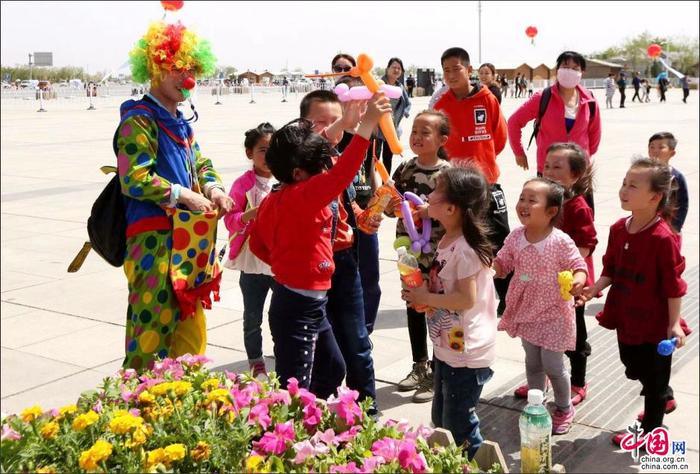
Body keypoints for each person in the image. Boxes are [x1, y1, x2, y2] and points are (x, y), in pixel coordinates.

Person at [249, 94, 391, 399]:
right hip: (299, 308)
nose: (327, 169)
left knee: (332, 368)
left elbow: (258, 244)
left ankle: (317, 423)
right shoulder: (304, 195)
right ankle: (289, 437)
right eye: (320, 167)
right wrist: (365, 126)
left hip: (303, 300)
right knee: (294, 390)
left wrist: (286, 262)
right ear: (301, 174)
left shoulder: (282, 192)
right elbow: (342, 172)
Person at [118, 20, 233, 371]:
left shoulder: (181, 121)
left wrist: (212, 188)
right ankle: (137, 406)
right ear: (154, 68)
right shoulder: (138, 120)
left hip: (188, 240)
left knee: (190, 332)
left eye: (191, 69)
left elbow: (201, 162)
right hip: (154, 241)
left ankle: (185, 401)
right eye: (177, 69)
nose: (187, 78)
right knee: (151, 333)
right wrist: (183, 195)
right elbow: (133, 178)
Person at [579, 158, 687, 447]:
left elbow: (673, 286)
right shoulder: (618, 229)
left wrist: (674, 324)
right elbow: (610, 269)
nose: (624, 190)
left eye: (633, 186)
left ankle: (651, 431)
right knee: (632, 365)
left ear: (655, 197)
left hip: (655, 323)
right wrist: (594, 289)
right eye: (624, 183)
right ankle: (664, 393)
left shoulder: (664, 238)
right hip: (626, 315)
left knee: (652, 379)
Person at [401, 166, 496, 459]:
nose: (428, 197)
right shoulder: (447, 239)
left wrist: (426, 296)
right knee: (442, 419)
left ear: (452, 208)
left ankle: (478, 464)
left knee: (459, 425)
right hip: (448, 346)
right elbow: (448, 291)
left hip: (465, 353)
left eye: (435, 193)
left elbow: (465, 299)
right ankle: (452, 463)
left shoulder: (465, 250)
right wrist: (424, 297)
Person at [299, 87, 381, 412]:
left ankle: (367, 411)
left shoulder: (337, 159)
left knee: (357, 341)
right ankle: (322, 412)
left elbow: (346, 202)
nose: (330, 130)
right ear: (301, 125)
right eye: (320, 123)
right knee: (322, 352)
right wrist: (348, 125)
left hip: (345, 262)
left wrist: (363, 218)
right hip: (311, 267)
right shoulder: (297, 164)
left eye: (335, 122)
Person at [494, 178, 588, 435]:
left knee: (553, 365)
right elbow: (503, 262)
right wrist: (491, 268)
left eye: (532, 200)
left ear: (551, 211)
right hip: (527, 309)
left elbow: (579, 266)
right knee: (533, 362)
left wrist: (578, 281)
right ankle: (537, 402)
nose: (523, 204)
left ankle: (564, 407)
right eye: (522, 198)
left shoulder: (561, 241)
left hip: (555, 312)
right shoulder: (515, 237)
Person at [508, 143, 597, 404]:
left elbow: (586, 245)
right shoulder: (540, 200)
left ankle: (577, 382)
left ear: (576, 174)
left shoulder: (578, 206)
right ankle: (540, 380)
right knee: (536, 336)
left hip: (567, 285)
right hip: (538, 284)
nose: (549, 171)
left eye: (557, 167)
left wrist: (569, 276)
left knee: (575, 336)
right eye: (546, 165)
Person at [430, 47, 510, 316]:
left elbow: (499, 138)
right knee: (462, 241)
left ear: (469, 69)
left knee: (497, 239)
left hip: (486, 183)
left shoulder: (487, 99)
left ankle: (506, 299)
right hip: (457, 187)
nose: (451, 75)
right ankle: (463, 293)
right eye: (446, 70)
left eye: (456, 69)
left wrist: (483, 161)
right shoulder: (441, 105)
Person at [384, 110, 452, 403]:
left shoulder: (448, 174)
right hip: (408, 253)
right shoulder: (405, 169)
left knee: (437, 311)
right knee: (413, 305)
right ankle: (419, 366)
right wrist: (386, 207)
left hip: (438, 255)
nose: (417, 137)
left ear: (441, 139)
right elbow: (390, 204)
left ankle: (440, 372)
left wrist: (429, 211)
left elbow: (455, 212)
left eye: (425, 132)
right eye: (414, 131)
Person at [508, 51, 601, 212]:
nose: (569, 71)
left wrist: (584, 157)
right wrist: (518, 152)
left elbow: (594, 133)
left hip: (578, 172)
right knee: (549, 216)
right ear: (557, 69)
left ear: (582, 72)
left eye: (575, 68)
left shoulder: (589, 100)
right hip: (550, 170)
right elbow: (514, 122)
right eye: (565, 66)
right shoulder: (543, 97)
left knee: (582, 216)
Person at [223, 123, 276, 380]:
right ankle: (256, 362)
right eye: (262, 150)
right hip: (252, 261)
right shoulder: (243, 184)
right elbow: (230, 218)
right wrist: (248, 215)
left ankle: (285, 355)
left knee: (281, 316)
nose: (268, 156)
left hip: (279, 261)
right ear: (249, 153)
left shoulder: (286, 178)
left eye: (273, 149)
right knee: (252, 316)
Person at [648, 132, 689, 234]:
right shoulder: (642, 174)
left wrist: (675, 227)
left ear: (672, 153)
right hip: (645, 223)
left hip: (668, 227)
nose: (655, 151)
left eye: (661, 147)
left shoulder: (676, 177)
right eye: (652, 147)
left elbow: (683, 203)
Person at [378, 57, 412, 174]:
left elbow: (408, 103)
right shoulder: (379, 84)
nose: (396, 70)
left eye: (399, 68)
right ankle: (372, 184)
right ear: (387, 69)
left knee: (388, 157)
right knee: (374, 158)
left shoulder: (400, 87)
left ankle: (385, 185)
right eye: (394, 67)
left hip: (392, 128)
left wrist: (405, 113)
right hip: (377, 128)